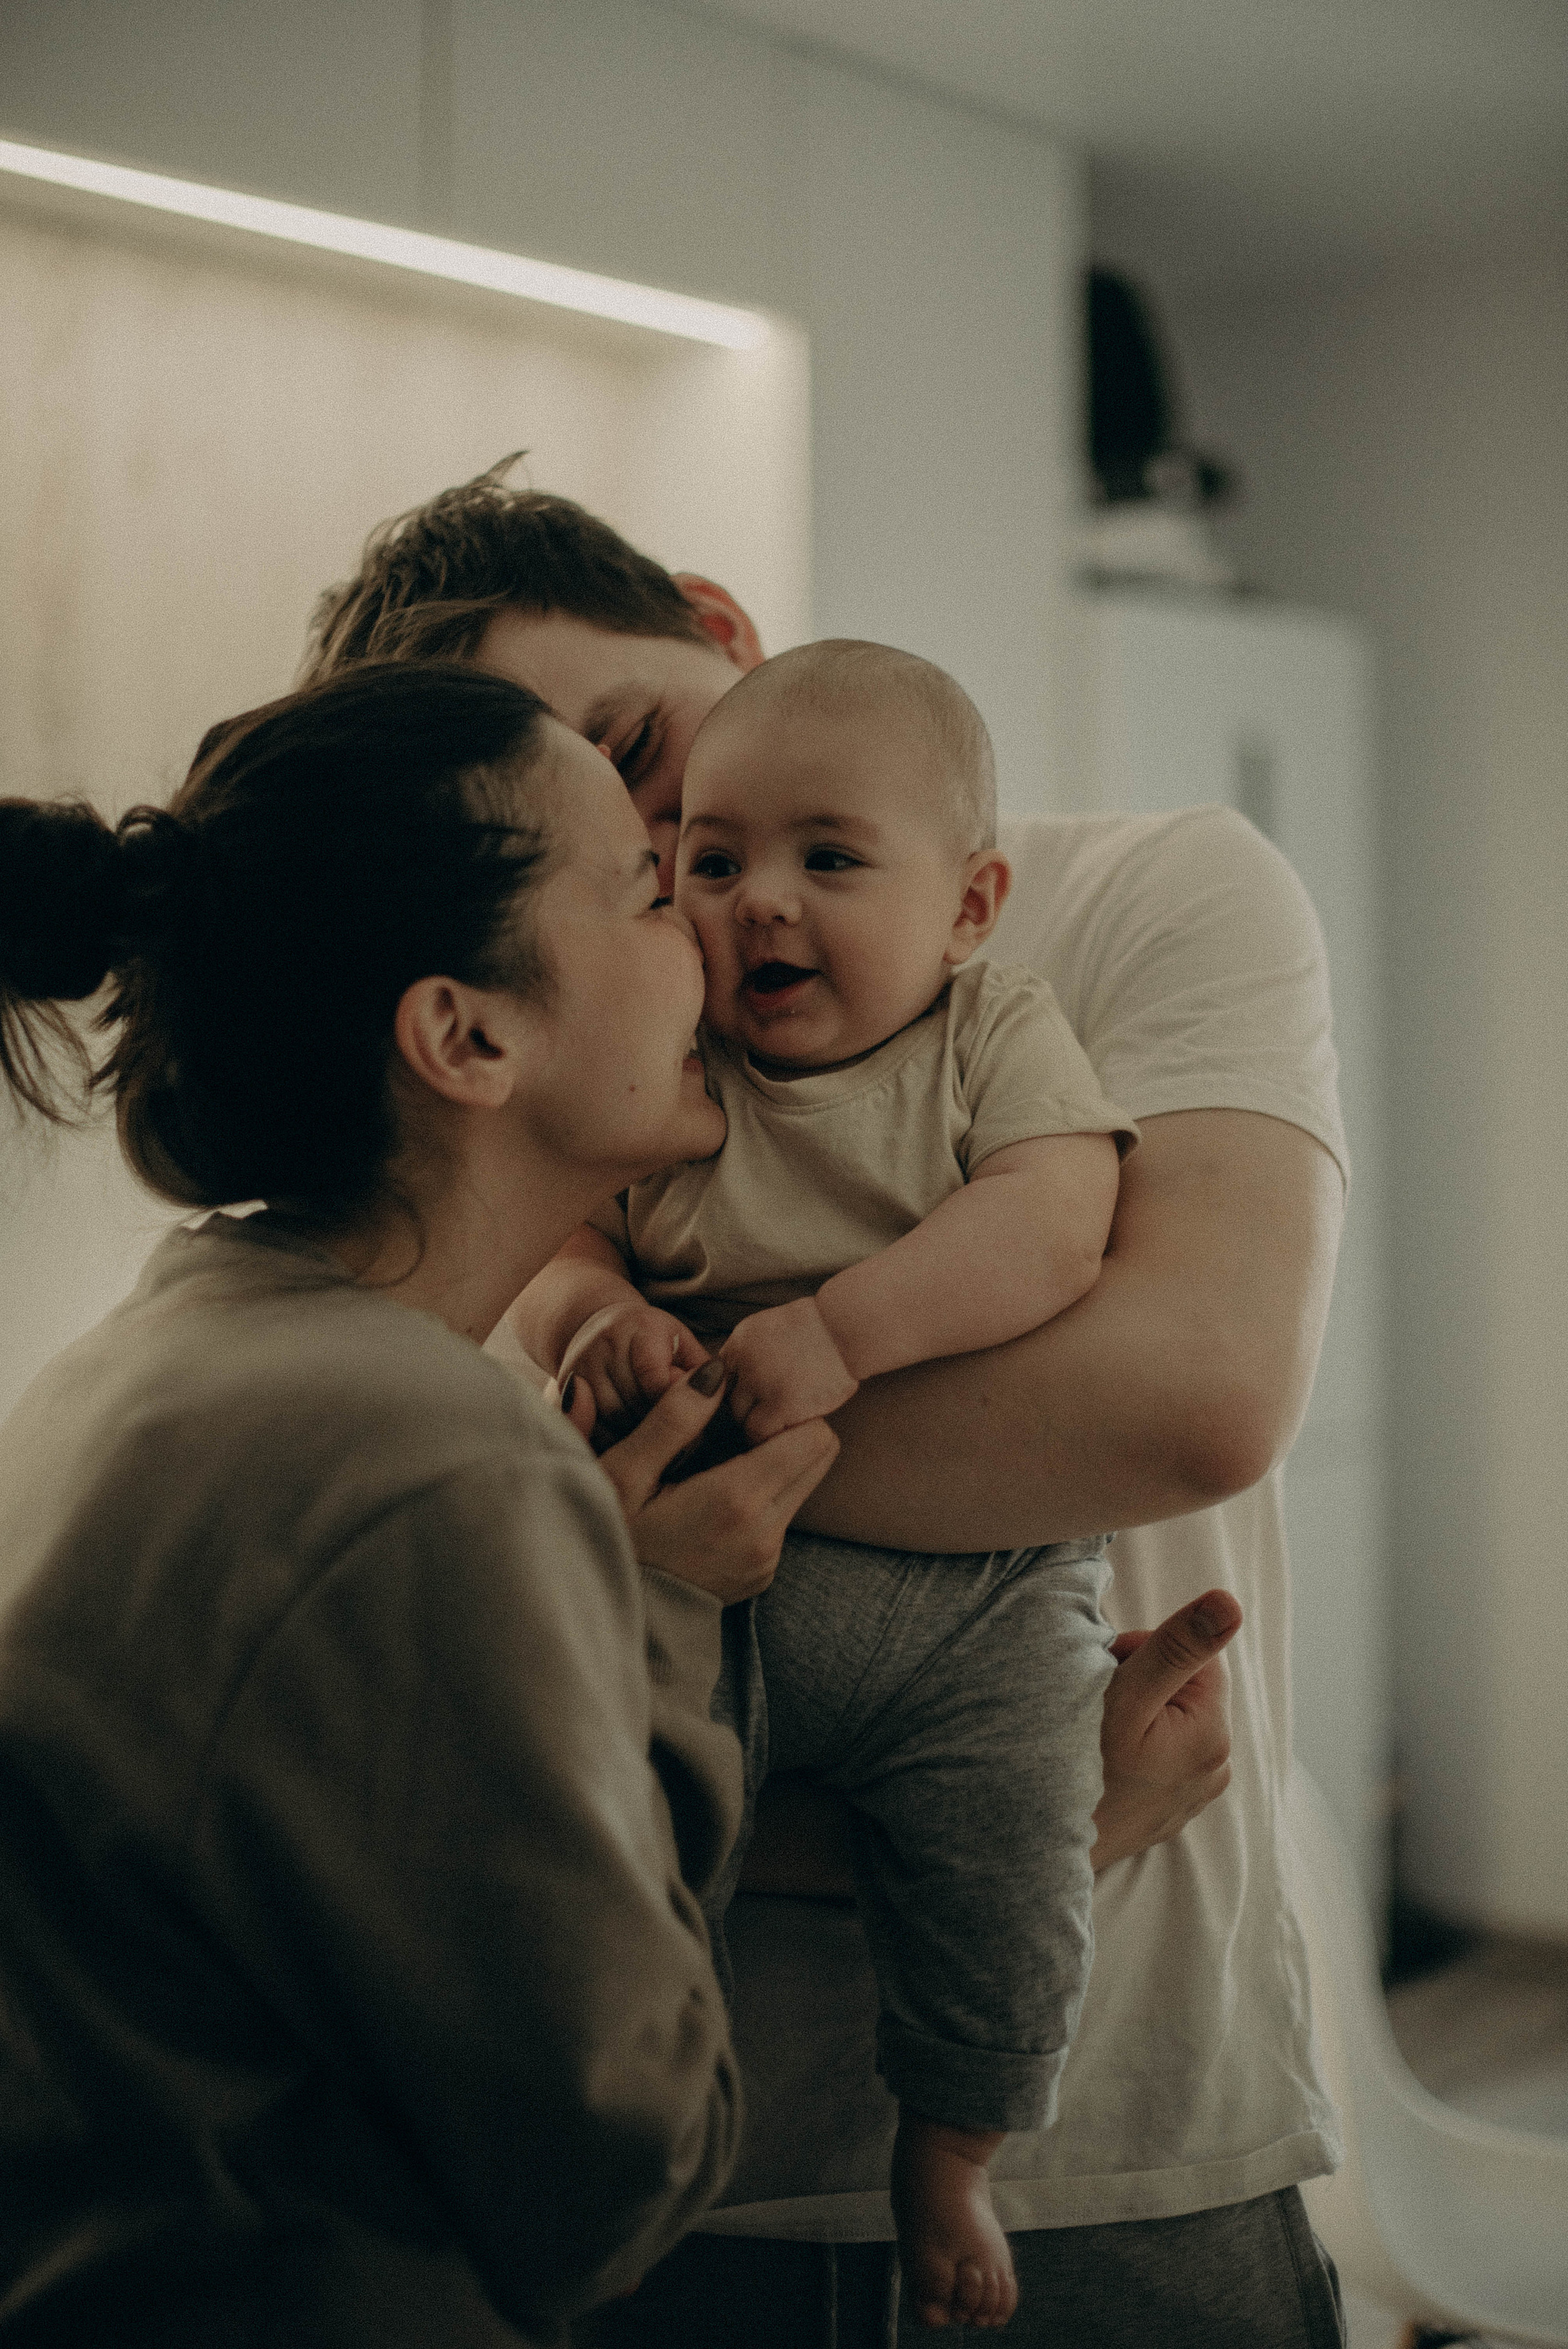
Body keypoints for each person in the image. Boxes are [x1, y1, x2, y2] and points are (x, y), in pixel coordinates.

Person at [301, 466, 1350, 2348]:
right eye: (562, 824)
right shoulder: (554, 1017)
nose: (672, 871)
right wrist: (1038, 1811)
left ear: (720, 626)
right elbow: (503, 1660)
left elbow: (1185, 1398)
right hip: (665, 2183)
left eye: (634, 747)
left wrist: (677, 1454)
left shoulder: (1141, 902)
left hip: (1116, 2149)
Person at [0, 661, 842, 2347]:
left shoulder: (163, 1354)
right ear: (467, 1033)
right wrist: (653, 1612)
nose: (703, 924)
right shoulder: (424, 1455)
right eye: (638, 885)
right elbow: (619, 2167)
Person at [521, 637, 1139, 2329]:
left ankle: (952, 2153)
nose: (760, 905)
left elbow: (1055, 1218)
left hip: (984, 1599)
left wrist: (846, 1332)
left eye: (830, 859)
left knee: (1015, 1860)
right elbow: (556, 1232)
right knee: (639, 1848)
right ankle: (635, 2137)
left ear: (968, 903)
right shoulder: (677, 1061)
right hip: (720, 1585)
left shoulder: (991, 1032)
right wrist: (600, 1316)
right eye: (711, 862)